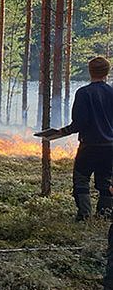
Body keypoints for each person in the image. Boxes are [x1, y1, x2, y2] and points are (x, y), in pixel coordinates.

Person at [48, 56, 113, 221]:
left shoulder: (84, 93)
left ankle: (84, 216)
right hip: (110, 148)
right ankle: (104, 215)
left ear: (89, 71)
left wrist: (60, 132)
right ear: (107, 72)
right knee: (106, 182)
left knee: (81, 180)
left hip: (89, 147)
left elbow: (80, 123)